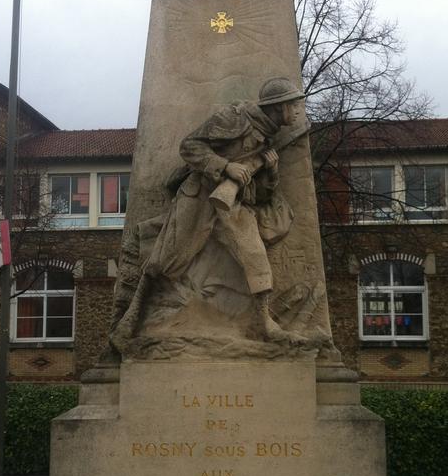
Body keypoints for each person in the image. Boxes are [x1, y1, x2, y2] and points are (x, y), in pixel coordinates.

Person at [109, 77, 306, 348]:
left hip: (235, 204)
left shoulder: (269, 138)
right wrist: (225, 167)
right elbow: (189, 146)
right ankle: (131, 319)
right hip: (200, 195)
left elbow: (261, 196)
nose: (297, 110)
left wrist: (270, 172)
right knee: (167, 256)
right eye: (293, 104)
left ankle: (265, 324)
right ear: (278, 106)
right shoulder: (234, 118)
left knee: (255, 256)